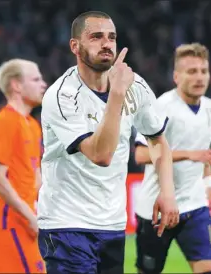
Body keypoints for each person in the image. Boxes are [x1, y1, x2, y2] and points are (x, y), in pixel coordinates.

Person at [37, 11, 179, 274]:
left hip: (112, 225)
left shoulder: (135, 86)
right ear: (75, 46)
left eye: (112, 37)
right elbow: (101, 155)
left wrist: (168, 191)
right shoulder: (63, 95)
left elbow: (157, 140)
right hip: (67, 225)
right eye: (96, 37)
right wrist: (116, 94)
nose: (106, 44)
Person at [133, 43, 211, 274]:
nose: (199, 77)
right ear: (176, 76)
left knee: (209, 269)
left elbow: (203, 153)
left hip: (195, 206)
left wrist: (209, 185)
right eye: (191, 71)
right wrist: (189, 155)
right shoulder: (161, 107)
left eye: (203, 71)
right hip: (156, 208)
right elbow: (141, 154)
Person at [0, 59, 48, 273]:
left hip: (25, 220)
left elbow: (35, 176)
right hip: (10, 220)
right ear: (16, 85)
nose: (43, 84)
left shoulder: (32, 124)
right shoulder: (5, 121)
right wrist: (29, 217)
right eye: (36, 79)